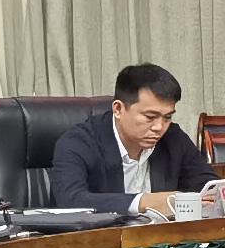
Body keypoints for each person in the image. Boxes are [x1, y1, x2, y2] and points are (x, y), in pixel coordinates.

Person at [49, 63, 212, 212]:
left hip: (161, 234)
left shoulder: (172, 137)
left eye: (167, 117)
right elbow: (71, 200)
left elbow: (206, 182)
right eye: (150, 117)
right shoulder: (78, 142)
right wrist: (145, 202)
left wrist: (215, 194)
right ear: (118, 109)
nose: (159, 127)